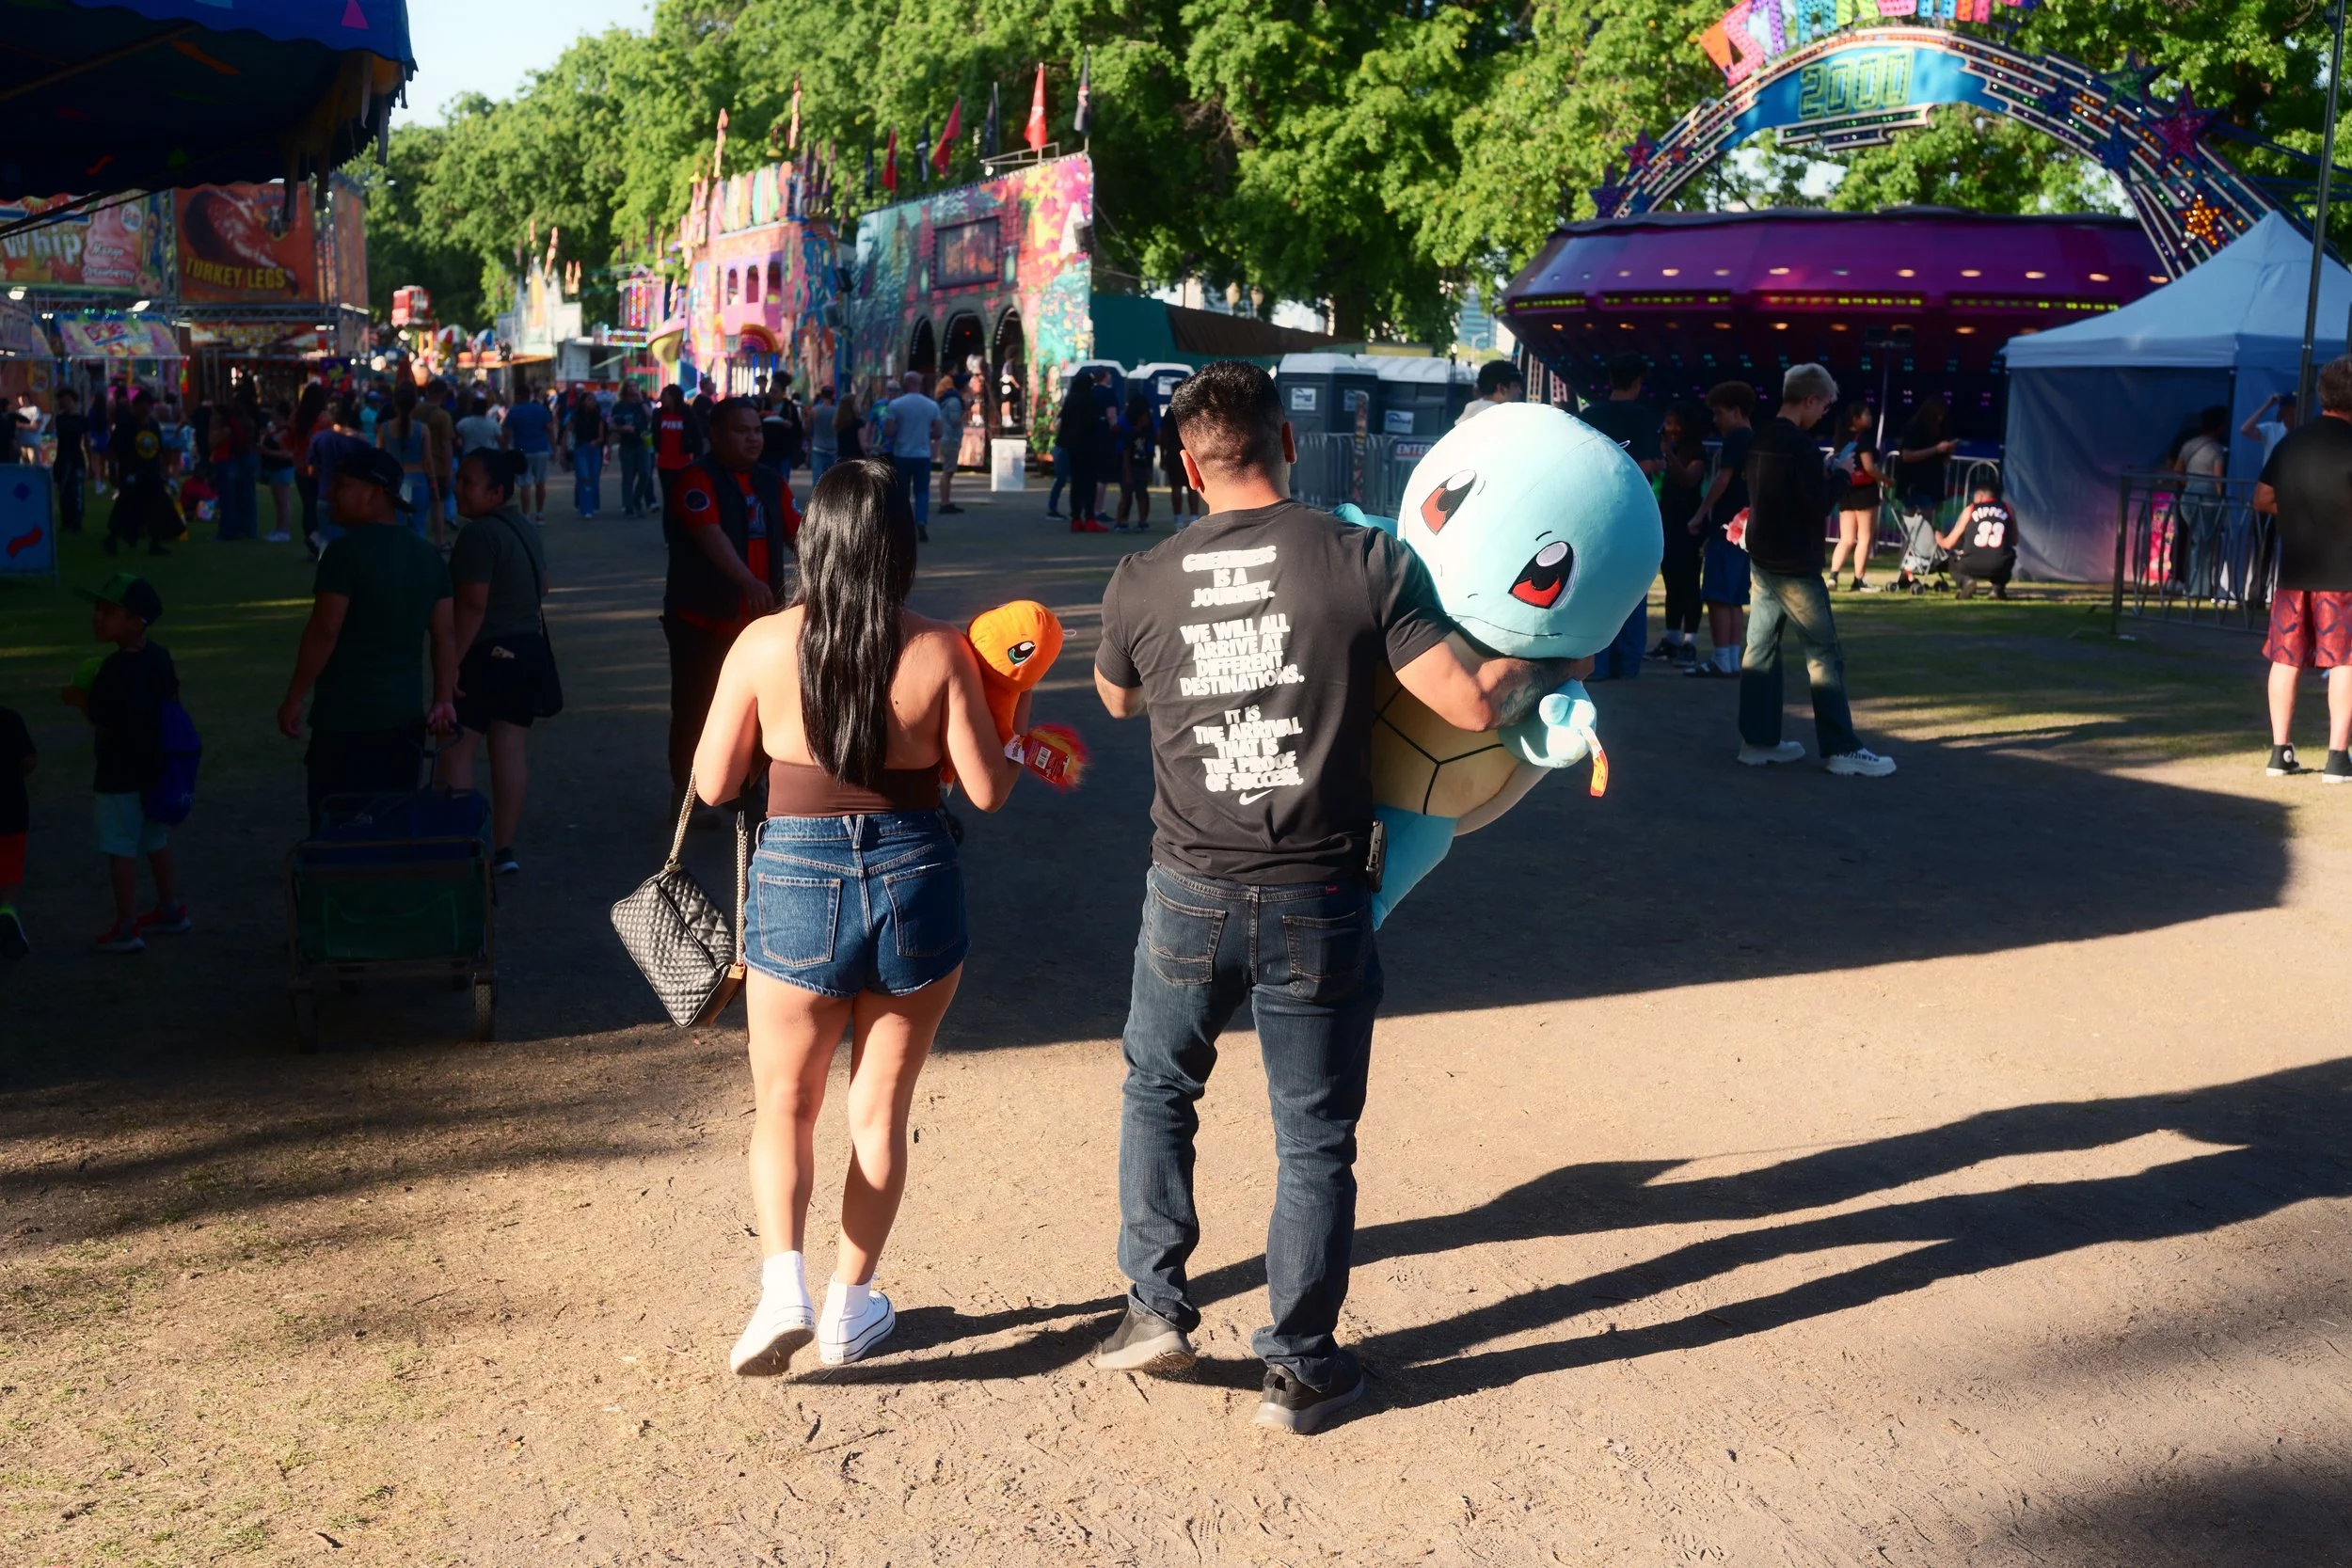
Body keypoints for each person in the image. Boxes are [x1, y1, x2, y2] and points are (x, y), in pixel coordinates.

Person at [1089, 361, 1590, 1433]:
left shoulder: (1142, 574)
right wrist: (1548, 661)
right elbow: (1462, 697)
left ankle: (1152, 1310)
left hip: (1186, 885)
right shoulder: (1364, 559)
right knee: (1312, 1136)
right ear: (1287, 438)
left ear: (1186, 464)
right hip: (1317, 891)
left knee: (1157, 1090)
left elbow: (1114, 695)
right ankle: (1301, 1367)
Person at [695, 458, 1030, 1377]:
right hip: (915, 871)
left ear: (815, 541)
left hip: (796, 874)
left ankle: (782, 1288)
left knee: (786, 1104)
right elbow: (990, 791)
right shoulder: (940, 650)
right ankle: (850, 1304)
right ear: (901, 549)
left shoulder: (762, 644)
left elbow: (716, 783)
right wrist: (1011, 715)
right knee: (878, 1108)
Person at [276, 447, 457, 830]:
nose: (329, 494)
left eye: (342, 486)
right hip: (404, 720)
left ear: (375, 494)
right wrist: (442, 699)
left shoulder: (343, 555)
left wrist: (294, 695)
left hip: (345, 719)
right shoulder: (428, 556)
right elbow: (444, 633)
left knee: (337, 826)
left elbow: (325, 630)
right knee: (390, 827)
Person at [1732, 364, 1898, 778]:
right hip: (1796, 565)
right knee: (1823, 654)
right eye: (1823, 404)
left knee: (1761, 652)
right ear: (1809, 399)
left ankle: (1759, 739)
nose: (1824, 412)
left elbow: (1784, 495)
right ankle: (1841, 746)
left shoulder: (1761, 440)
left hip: (1764, 560)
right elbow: (1816, 504)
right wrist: (1840, 476)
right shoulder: (1800, 447)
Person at [662, 398, 800, 812]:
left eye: (757, 429)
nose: (753, 438)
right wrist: (746, 580)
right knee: (695, 709)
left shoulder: (770, 481)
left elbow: (803, 534)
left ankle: (748, 790)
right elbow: (710, 537)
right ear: (716, 435)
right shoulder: (695, 480)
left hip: (758, 624)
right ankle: (689, 798)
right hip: (702, 621)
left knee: (760, 709)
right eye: (741, 431)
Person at [437, 450, 552, 874]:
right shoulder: (523, 526)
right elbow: (544, 585)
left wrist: (450, 666)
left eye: (468, 482)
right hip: (527, 650)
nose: (458, 488)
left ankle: (457, 842)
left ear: (496, 492)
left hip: (487, 651)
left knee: (456, 746)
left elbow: (471, 605)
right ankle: (503, 849)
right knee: (509, 748)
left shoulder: (478, 535)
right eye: (460, 478)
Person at [62, 573, 189, 952]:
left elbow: (100, 715)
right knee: (156, 840)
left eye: (108, 611)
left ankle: (126, 925)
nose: (97, 618)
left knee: (120, 850)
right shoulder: (159, 656)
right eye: (97, 610)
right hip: (154, 769)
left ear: (136, 622)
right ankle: (170, 908)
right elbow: (173, 701)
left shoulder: (112, 670)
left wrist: (76, 696)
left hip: (118, 775)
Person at [2251, 354, 2352, 784]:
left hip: (2295, 571)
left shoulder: (2290, 442)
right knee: (2346, 661)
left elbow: (2262, 499)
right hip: (2345, 573)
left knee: (2285, 659)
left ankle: (2280, 752)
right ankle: (2337, 759)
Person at [1575, 354, 1663, 681]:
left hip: (1591, 510)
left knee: (1594, 585)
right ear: (1637, 383)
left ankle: (1595, 661)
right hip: (1632, 513)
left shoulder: (1589, 415)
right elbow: (1647, 463)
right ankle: (1627, 662)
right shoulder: (1642, 417)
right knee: (1631, 588)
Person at [1685, 381, 1755, 677]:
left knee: (1717, 595)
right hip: (1745, 530)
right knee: (1735, 598)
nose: (1715, 420)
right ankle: (1731, 659)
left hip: (1727, 528)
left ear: (1736, 411)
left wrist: (1700, 514)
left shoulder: (1736, 438)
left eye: (1719, 413)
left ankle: (1720, 659)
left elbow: (1723, 479)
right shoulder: (1755, 438)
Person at [1647, 402, 1708, 670]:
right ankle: (1671, 639)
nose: (1670, 429)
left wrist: (1669, 456)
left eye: (1675, 423)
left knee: (1689, 585)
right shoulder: (1665, 453)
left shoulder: (1697, 453)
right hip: (1668, 526)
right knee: (1672, 583)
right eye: (1667, 423)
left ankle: (1689, 642)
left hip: (1689, 527)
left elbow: (1688, 479)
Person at [105, 391, 178, 557]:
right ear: (134, 406)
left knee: (156, 506)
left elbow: (159, 450)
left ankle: (155, 542)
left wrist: (163, 471)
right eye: (142, 405)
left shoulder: (153, 425)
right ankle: (112, 538)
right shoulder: (125, 426)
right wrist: (113, 470)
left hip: (150, 472)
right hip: (131, 472)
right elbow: (112, 450)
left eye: (149, 405)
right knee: (127, 506)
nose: (146, 409)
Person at [1827, 400, 1883, 592]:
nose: (1870, 418)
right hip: (1865, 491)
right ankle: (1859, 579)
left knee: (1846, 538)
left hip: (1846, 489)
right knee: (1865, 537)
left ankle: (1833, 576)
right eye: (1866, 414)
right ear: (1856, 418)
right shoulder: (1864, 439)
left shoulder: (1840, 437)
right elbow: (1869, 467)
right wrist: (1887, 480)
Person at [881, 371, 943, 544]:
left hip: (902, 454)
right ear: (919, 384)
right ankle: (921, 521)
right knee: (922, 491)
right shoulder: (931, 406)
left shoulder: (896, 405)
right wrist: (924, 433)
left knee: (902, 492)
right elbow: (938, 432)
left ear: (905, 384)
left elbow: (888, 431)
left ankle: (903, 526)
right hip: (922, 454)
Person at [1938, 477, 2020, 600]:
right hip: (1999, 565)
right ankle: (1997, 588)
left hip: (1970, 564)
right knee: (2010, 555)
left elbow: (1949, 543)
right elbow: (2014, 541)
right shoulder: (2008, 509)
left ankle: (1966, 581)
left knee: (1951, 561)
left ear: (1980, 496)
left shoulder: (1971, 509)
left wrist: (1938, 537)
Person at [378, 382, 437, 545]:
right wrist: (434, 484)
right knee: (418, 529)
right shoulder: (422, 429)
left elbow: (380, 458)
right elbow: (428, 461)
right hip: (419, 480)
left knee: (394, 530)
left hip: (394, 483)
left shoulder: (384, 429)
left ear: (394, 403)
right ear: (415, 404)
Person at [1055, 372, 1104, 532]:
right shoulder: (1091, 400)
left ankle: (1076, 519)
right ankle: (1089, 518)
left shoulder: (1070, 399)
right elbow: (1096, 424)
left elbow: (1062, 423)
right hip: (1090, 447)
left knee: (1076, 483)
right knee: (1089, 483)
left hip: (1072, 447)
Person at [0, 702, 29, 958]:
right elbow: (29, 760)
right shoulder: (11, 719)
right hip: (11, 807)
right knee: (10, 866)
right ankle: (7, 911)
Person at [501, 382, 555, 523]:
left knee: (525, 484)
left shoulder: (514, 411)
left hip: (522, 451)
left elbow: (506, 433)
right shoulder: (541, 410)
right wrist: (554, 448)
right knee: (540, 483)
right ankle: (540, 514)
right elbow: (550, 429)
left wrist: (505, 449)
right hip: (541, 449)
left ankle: (526, 515)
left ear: (518, 396)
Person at [653, 385, 706, 515]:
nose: (663, 399)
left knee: (682, 496)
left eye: (666, 396)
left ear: (674, 397)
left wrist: (697, 460)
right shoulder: (659, 414)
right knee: (669, 498)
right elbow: (654, 434)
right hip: (664, 463)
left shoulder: (687, 413)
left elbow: (697, 438)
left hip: (683, 463)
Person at [289, 384, 329, 553]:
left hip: (301, 467)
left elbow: (289, 438)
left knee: (308, 507)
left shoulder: (296, 417)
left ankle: (311, 539)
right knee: (320, 508)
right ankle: (317, 541)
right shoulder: (324, 419)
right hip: (319, 468)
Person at [419, 379, 459, 535]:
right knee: (438, 503)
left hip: (416, 464)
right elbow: (446, 444)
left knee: (416, 508)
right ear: (442, 394)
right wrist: (449, 470)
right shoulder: (443, 416)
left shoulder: (414, 411)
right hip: (438, 466)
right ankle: (439, 540)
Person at [1113, 388, 1156, 532]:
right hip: (1130, 466)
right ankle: (1120, 521)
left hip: (1142, 465)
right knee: (1127, 494)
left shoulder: (1146, 431)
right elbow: (1126, 452)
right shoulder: (1130, 434)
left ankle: (1141, 521)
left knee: (1141, 493)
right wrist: (1127, 472)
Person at [610, 383, 654, 517]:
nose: (633, 388)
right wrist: (622, 429)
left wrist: (641, 402)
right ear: (625, 389)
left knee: (645, 474)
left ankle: (636, 500)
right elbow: (612, 424)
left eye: (635, 386)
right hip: (627, 444)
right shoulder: (620, 406)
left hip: (643, 443)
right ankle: (628, 506)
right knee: (628, 476)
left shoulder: (643, 403)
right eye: (629, 386)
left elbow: (651, 416)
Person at [50, 388, 90, 535]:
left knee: (76, 491)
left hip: (76, 459)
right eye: (62, 401)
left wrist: (89, 462)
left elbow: (87, 441)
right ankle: (66, 521)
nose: (65, 403)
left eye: (68, 400)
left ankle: (77, 521)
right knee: (63, 491)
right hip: (62, 458)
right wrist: (55, 413)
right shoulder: (59, 419)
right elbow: (49, 429)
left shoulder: (81, 420)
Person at [258, 397, 296, 543]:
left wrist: (268, 452)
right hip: (275, 469)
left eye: (274, 413)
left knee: (283, 501)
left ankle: (284, 530)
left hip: (282, 469)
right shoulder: (275, 430)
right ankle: (279, 528)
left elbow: (289, 453)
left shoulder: (285, 432)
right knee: (278, 501)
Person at [568, 388, 608, 519]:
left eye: (593, 400)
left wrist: (596, 442)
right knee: (584, 478)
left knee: (594, 479)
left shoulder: (599, 418)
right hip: (580, 448)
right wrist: (564, 450)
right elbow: (569, 434)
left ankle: (594, 504)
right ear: (583, 402)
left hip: (594, 449)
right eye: (589, 399)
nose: (592, 402)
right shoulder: (575, 417)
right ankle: (586, 508)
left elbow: (602, 436)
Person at [1159, 395, 1199, 523]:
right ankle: (1194, 516)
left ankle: (1178, 516)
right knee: (1193, 486)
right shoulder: (1192, 409)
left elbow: (1162, 435)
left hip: (1173, 451)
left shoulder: (1171, 411)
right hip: (1190, 450)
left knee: (1176, 486)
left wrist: (1162, 455)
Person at [1455, 359, 1525, 425]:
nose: (1520, 391)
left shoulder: (1469, 414)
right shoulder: (1502, 419)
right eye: (1516, 386)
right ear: (1501, 388)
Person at [934, 374, 966, 515]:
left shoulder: (949, 399)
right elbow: (955, 421)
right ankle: (944, 502)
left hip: (948, 438)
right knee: (948, 471)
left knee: (949, 470)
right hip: (951, 438)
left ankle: (946, 500)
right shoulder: (954, 401)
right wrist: (967, 412)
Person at [2243, 391, 2297, 466]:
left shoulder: (2304, 433)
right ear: (2284, 410)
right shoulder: (2271, 429)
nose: (2296, 412)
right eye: (2293, 407)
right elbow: (2245, 429)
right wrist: (2268, 404)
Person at [806, 385, 839, 483]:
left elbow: (807, 428)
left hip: (817, 448)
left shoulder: (814, 411)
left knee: (817, 479)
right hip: (833, 448)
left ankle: (817, 498)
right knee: (832, 480)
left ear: (821, 395)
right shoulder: (837, 412)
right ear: (832, 396)